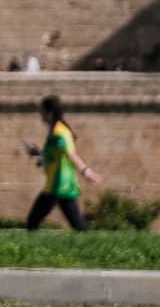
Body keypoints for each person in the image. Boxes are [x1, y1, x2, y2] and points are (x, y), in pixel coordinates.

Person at [25, 96, 102, 231]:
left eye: (42, 111)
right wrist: (38, 152)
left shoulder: (60, 132)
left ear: (50, 113)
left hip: (58, 184)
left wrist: (86, 171)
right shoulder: (54, 131)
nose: (40, 115)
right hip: (61, 185)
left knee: (33, 220)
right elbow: (55, 154)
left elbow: (71, 154)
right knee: (78, 225)